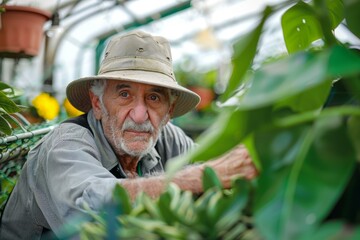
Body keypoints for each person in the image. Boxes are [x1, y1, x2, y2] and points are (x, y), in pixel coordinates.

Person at [0, 30, 257, 239]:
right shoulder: (67, 144)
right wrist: (198, 178)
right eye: (124, 94)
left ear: (168, 111)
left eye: (154, 97)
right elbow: (97, 202)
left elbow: (218, 170)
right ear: (98, 103)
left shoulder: (168, 137)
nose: (139, 115)